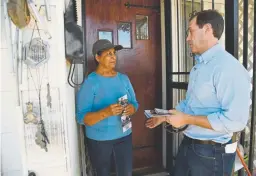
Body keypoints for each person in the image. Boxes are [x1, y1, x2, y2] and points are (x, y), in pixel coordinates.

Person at [146, 10, 251, 176]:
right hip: (189, 146)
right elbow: (191, 105)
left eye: (190, 31)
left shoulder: (228, 68)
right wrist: (165, 116)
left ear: (207, 29)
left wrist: (187, 119)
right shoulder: (200, 66)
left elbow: (235, 120)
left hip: (212, 154)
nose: (187, 38)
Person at [76, 39, 139, 176]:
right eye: (108, 54)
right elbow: (81, 118)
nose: (113, 57)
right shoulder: (91, 83)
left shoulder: (123, 79)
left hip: (124, 136)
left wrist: (131, 109)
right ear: (97, 57)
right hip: (99, 140)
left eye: (114, 53)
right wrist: (105, 112)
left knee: (126, 173)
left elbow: (135, 103)